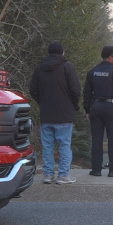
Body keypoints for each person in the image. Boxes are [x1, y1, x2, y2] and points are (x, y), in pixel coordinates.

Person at [29, 41, 81, 184]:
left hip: (46, 114)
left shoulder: (40, 68)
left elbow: (33, 89)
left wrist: (43, 102)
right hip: (64, 114)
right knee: (64, 145)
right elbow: (75, 90)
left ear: (49, 52)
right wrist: (73, 105)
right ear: (62, 52)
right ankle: (63, 175)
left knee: (47, 146)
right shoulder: (67, 67)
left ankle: (48, 175)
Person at [83, 45, 113, 177]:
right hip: (110, 109)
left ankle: (96, 170)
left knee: (96, 141)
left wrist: (87, 109)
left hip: (95, 108)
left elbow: (86, 92)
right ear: (110, 57)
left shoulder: (92, 72)